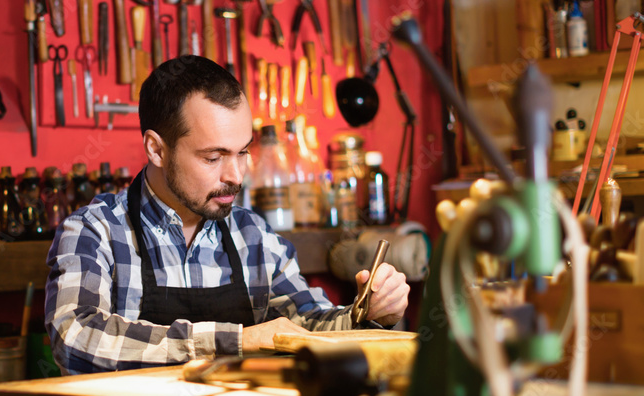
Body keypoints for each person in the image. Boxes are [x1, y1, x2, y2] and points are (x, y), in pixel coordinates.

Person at [45, 56, 409, 375]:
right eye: (213, 157)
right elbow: (76, 338)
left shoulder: (253, 235)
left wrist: (366, 312)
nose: (235, 175)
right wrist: (235, 341)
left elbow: (308, 323)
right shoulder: (96, 231)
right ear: (156, 149)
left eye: (243, 152)